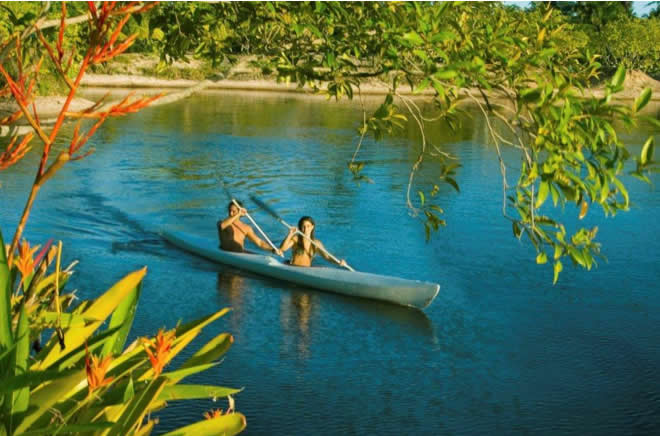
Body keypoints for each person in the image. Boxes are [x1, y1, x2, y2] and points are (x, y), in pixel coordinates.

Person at [279, 216, 348, 267]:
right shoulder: (296, 239)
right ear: (300, 227)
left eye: (308, 226)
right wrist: (290, 234)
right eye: (303, 226)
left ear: (312, 227)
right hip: (294, 268)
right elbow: (282, 249)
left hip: (308, 269)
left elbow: (327, 257)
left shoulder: (316, 243)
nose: (305, 229)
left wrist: (338, 262)